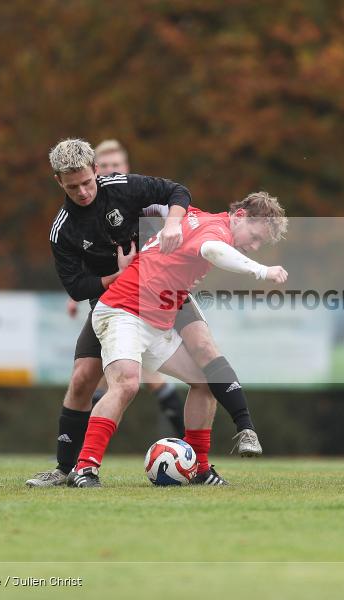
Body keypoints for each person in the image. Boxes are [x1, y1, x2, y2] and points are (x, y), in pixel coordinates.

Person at [26, 138, 261, 489]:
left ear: (95, 171)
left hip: (165, 290)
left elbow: (178, 191)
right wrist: (119, 275)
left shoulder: (121, 186)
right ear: (59, 182)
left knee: (206, 355)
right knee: (82, 378)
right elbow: (78, 286)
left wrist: (172, 226)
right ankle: (66, 467)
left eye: (88, 182)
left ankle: (207, 463)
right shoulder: (64, 230)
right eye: (73, 186)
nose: (84, 191)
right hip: (118, 298)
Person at [67, 192, 288, 488]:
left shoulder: (200, 217)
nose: (255, 246)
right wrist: (262, 271)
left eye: (261, 244)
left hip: (156, 323)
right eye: (256, 236)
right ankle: (85, 468)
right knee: (127, 384)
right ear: (240, 217)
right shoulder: (216, 231)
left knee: (206, 384)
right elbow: (212, 250)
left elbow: (160, 201)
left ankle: (199, 468)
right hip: (123, 311)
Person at [64, 139, 186, 439]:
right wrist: (76, 294)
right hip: (112, 303)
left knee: (155, 377)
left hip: (155, 298)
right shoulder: (80, 214)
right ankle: (73, 461)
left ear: (125, 170)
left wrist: (175, 231)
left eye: (114, 167)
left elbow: (179, 203)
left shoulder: (139, 196)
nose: (108, 173)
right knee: (94, 379)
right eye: (105, 167)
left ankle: (192, 451)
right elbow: (82, 265)